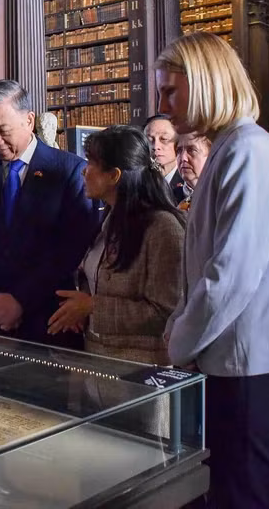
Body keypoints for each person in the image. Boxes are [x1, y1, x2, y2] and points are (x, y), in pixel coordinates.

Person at [157, 32, 269, 509]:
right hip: (237, 361)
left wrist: (180, 340)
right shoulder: (232, 148)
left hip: (257, 367)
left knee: (247, 498)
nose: (161, 102)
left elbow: (231, 274)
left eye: (170, 90)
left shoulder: (247, 150)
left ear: (205, 84)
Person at [0, 79, 100, 348]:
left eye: (3, 130)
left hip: (46, 319)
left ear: (29, 121)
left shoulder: (69, 171)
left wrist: (19, 300)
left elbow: (70, 249)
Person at [47, 125, 184, 366]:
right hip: (101, 365)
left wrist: (92, 307)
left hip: (141, 372)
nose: (83, 171)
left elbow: (165, 312)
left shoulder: (162, 227)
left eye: (90, 163)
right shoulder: (110, 219)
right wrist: (81, 306)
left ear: (114, 175)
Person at [144, 114, 185, 203]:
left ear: (179, 143)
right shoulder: (139, 180)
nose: (155, 146)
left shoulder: (188, 182)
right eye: (150, 140)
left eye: (164, 139)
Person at [174, 132, 211, 210]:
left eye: (192, 150)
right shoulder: (167, 199)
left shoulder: (221, 197)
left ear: (210, 156)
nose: (183, 158)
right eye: (179, 151)